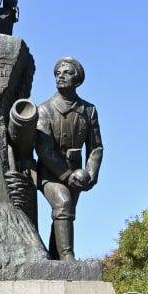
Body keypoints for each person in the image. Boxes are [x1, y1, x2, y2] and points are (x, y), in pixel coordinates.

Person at [32, 57, 103, 260]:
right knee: (63, 203)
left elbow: (96, 147)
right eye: (57, 73)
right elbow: (44, 149)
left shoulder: (89, 110)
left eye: (66, 72)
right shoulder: (45, 109)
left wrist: (91, 174)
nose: (60, 76)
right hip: (51, 172)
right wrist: (66, 175)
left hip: (77, 173)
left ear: (77, 79)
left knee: (65, 213)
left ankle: (55, 258)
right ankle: (68, 257)